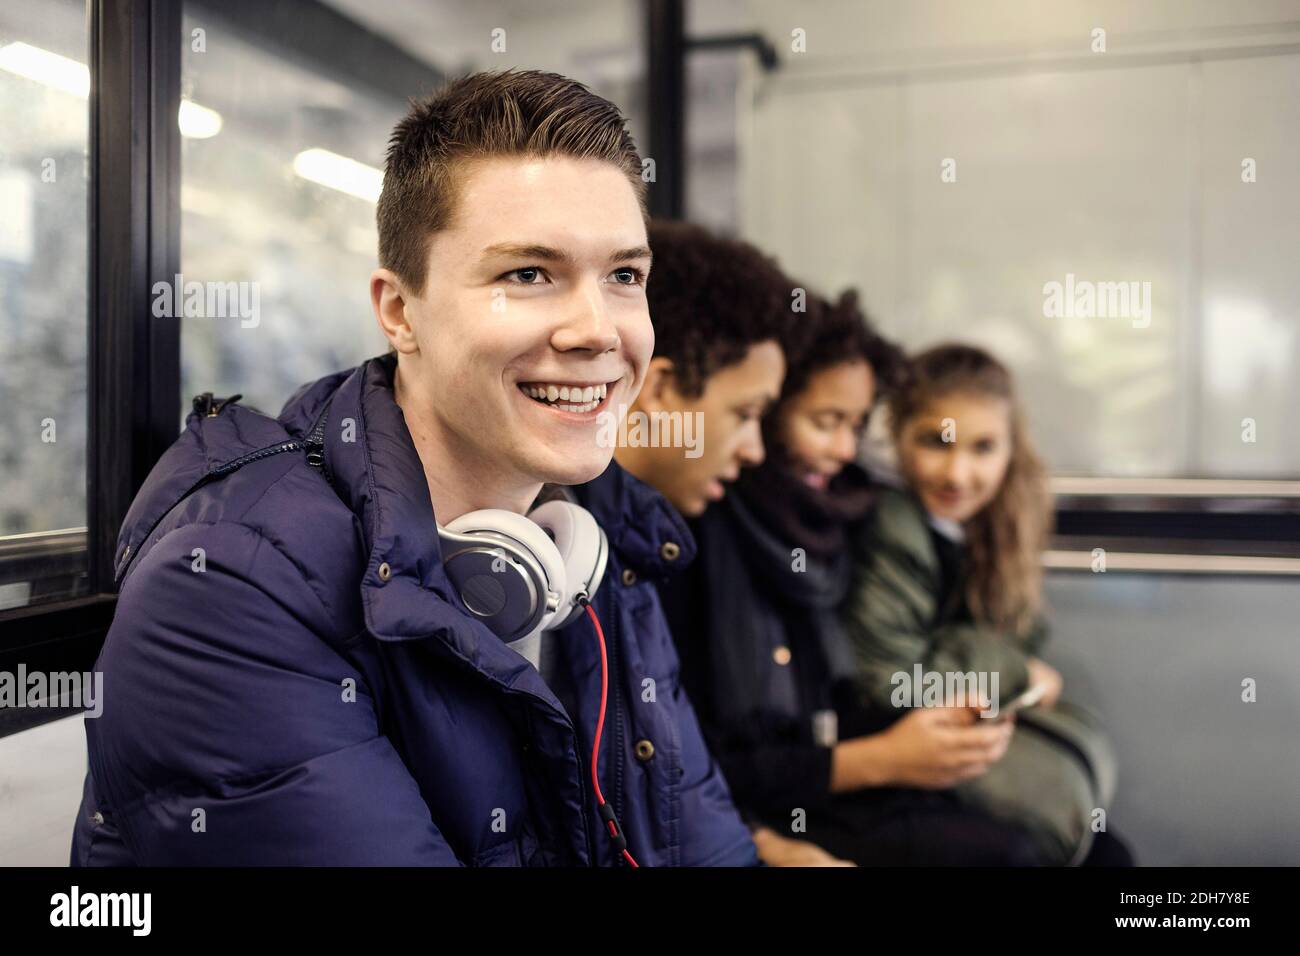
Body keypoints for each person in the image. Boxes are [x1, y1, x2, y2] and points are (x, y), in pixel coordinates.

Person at [69, 70, 758, 867]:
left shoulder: (597, 547)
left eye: (624, 276)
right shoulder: (228, 585)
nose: (597, 331)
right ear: (400, 312)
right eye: (527, 274)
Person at [622, 220, 1044, 865]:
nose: (844, 451)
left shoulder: (843, 516)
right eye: (823, 422)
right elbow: (679, 760)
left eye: (855, 425)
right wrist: (786, 831)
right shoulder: (691, 528)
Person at [843, 343, 1132, 865]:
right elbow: (887, 679)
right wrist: (1015, 672)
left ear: (1010, 449)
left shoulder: (997, 526)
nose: (958, 474)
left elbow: (1016, 631)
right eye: (937, 442)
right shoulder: (895, 525)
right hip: (895, 760)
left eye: (983, 448)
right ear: (898, 436)